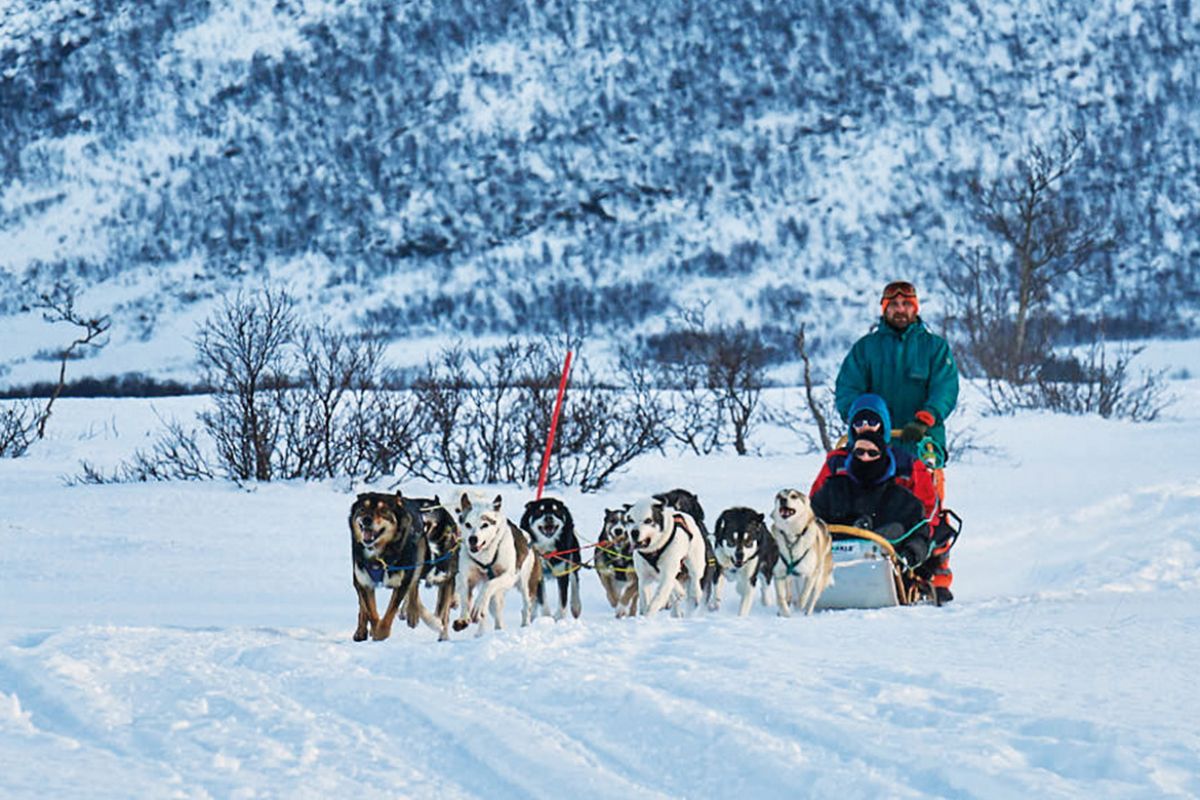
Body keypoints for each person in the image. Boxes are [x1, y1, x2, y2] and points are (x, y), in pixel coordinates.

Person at [833, 281, 960, 602]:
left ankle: (937, 576)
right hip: (875, 446)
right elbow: (847, 389)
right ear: (884, 308)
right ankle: (864, 566)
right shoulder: (866, 349)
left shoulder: (934, 348)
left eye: (906, 305)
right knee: (870, 506)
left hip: (921, 443)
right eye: (894, 305)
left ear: (915, 308)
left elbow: (946, 388)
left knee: (929, 510)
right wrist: (862, 422)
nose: (900, 310)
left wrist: (927, 417)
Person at [809, 428, 931, 571]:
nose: (864, 458)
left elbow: (919, 535)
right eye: (859, 452)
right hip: (830, 568)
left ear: (883, 457)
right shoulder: (832, 490)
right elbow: (809, 521)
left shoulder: (903, 500)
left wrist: (907, 557)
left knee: (895, 529)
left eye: (872, 453)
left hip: (885, 574)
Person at [810, 393, 938, 518]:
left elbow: (927, 511)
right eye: (859, 423)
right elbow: (813, 507)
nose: (866, 427)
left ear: (883, 425)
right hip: (841, 525)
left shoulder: (907, 465)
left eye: (872, 422)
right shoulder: (837, 462)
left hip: (892, 526)